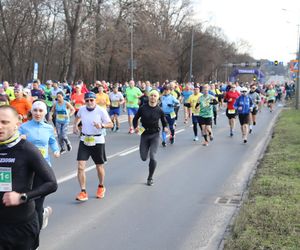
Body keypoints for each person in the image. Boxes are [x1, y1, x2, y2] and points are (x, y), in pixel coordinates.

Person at [0, 105, 57, 250]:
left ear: (17, 124)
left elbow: (51, 183)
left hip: (21, 226)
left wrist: (22, 197)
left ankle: (41, 215)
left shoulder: (27, 149)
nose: (0, 126)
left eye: (5, 122)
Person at [19, 100, 60, 234]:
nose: (37, 113)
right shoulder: (23, 127)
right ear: (31, 111)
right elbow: (15, 141)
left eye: (40, 111)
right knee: (25, 201)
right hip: (26, 169)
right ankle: (43, 214)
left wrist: (56, 150)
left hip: (43, 168)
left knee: (37, 204)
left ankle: (35, 236)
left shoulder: (48, 128)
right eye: (35, 110)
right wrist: (20, 138)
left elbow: (53, 141)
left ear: (45, 113)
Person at [73, 92, 113, 201]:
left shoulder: (101, 110)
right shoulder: (81, 109)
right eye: (87, 100)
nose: (89, 102)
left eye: (92, 100)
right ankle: (83, 191)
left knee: (99, 166)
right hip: (84, 140)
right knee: (81, 166)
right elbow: (77, 117)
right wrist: (75, 126)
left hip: (98, 140)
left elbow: (111, 124)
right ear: (84, 101)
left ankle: (101, 186)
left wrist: (102, 125)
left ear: (95, 100)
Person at [133, 89, 168, 186]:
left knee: (153, 157)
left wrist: (165, 127)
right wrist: (136, 127)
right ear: (149, 96)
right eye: (151, 95)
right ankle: (147, 152)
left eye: (155, 96)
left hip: (155, 135)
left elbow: (164, 121)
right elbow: (135, 119)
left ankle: (150, 177)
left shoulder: (159, 110)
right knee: (144, 158)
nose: (153, 97)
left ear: (157, 98)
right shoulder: (143, 108)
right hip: (144, 134)